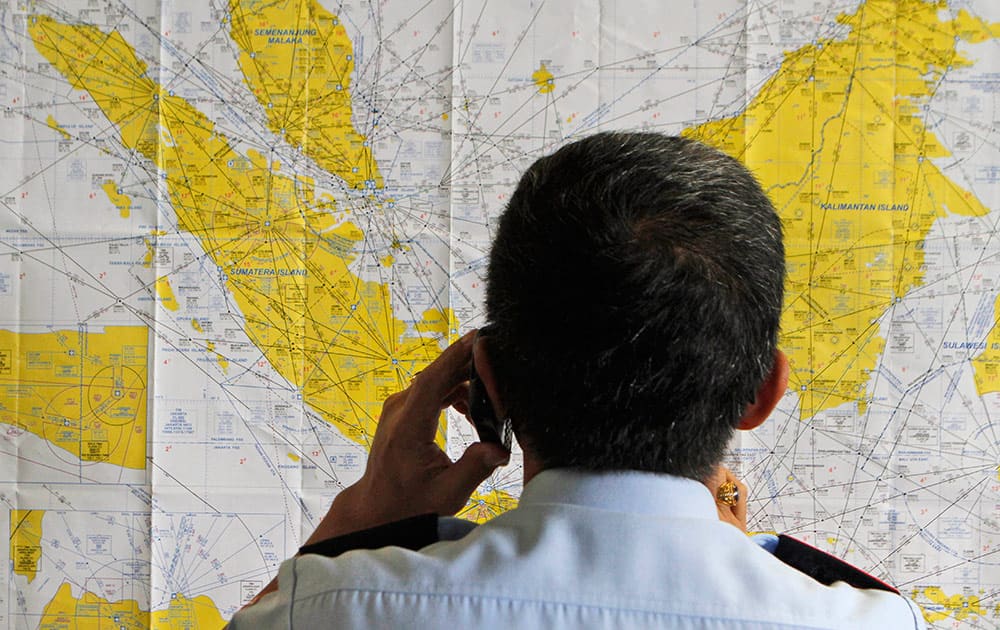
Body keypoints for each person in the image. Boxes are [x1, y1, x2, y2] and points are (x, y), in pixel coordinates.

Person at [227, 133, 923, 628]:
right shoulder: (871, 621)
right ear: (764, 393)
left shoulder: (328, 609)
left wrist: (361, 521)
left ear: (489, 384)